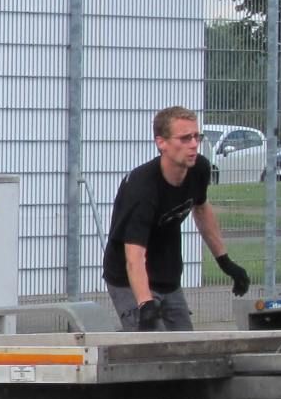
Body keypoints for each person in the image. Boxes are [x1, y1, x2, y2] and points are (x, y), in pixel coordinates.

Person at [102, 105, 250, 333]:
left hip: (166, 274)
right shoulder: (142, 189)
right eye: (184, 138)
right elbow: (134, 256)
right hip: (128, 278)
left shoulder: (199, 168)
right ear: (161, 142)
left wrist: (225, 262)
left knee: (185, 345)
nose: (193, 144)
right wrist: (145, 304)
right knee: (154, 344)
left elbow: (201, 209)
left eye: (196, 136)